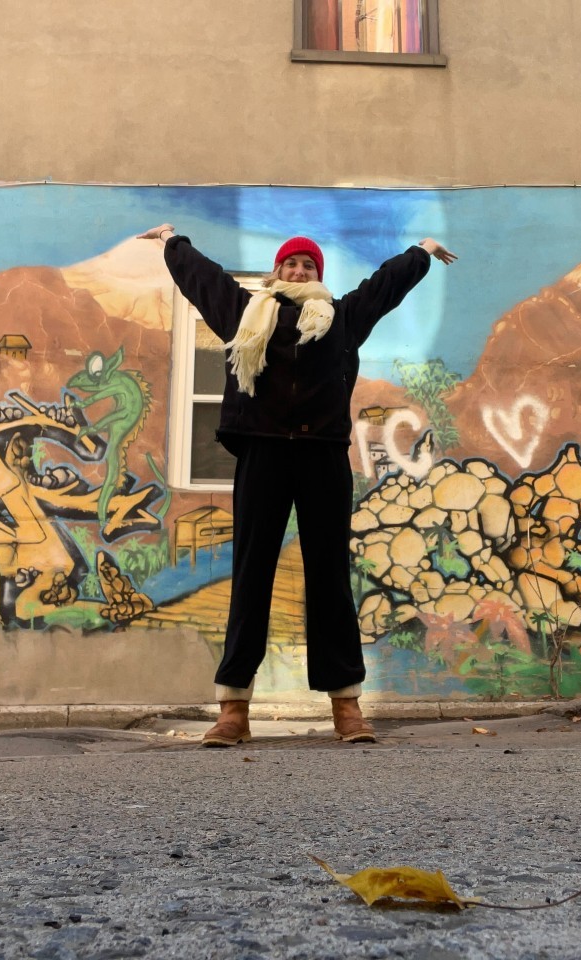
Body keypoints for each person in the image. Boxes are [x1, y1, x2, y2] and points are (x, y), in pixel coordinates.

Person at [138, 222, 456, 746]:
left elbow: (383, 287)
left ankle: (347, 707)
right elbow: (203, 279)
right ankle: (234, 709)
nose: (300, 269)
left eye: (308, 264)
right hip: (262, 450)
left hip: (322, 455)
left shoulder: (341, 318)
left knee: (329, 577)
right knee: (252, 573)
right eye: (291, 263)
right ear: (276, 271)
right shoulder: (246, 314)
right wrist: (174, 240)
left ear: (319, 275)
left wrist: (420, 252)